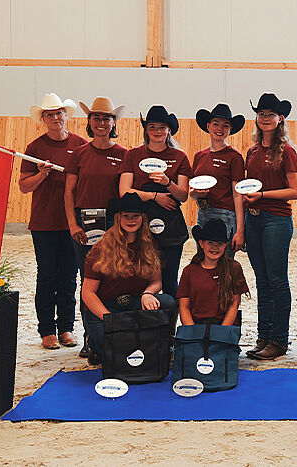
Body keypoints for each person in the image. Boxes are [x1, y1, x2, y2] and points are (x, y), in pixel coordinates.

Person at [18, 93, 87, 350]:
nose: (55, 118)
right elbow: (24, 187)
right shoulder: (34, 149)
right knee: (47, 275)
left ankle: (67, 328)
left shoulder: (80, 146)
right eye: (50, 115)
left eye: (59, 113)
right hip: (44, 223)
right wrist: (41, 175)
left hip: (72, 222)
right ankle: (47, 330)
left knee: (70, 276)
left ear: (66, 115)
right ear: (43, 119)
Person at [64, 96, 128, 358]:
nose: (101, 123)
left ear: (113, 123)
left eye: (106, 118)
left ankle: (111, 333)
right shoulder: (79, 154)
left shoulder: (124, 155)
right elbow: (69, 192)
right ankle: (90, 336)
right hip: (84, 223)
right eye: (97, 118)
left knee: (113, 279)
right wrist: (72, 223)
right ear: (90, 122)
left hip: (114, 226)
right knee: (87, 278)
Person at [79, 193, 176, 365]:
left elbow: (157, 281)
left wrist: (148, 293)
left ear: (142, 218)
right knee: (109, 348)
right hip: (106, 307)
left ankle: (163, 342)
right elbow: (87, 293)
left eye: (135, 216)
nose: (131, 220)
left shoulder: (149, 245)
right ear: (118, 218)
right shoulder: (100, 249)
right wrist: (109, 319)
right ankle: (94, 344)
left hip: (135, 304)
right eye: (126, 216)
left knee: (167, 302)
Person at [243, 93, 297, 360]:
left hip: (276, 218)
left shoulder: (287, 151)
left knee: (277, 280)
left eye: (270, 114)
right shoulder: (252, 151)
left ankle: (279, 339)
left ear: (280, 119)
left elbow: (296, 190)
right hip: (254, 218)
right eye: (261, 114)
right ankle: (264, 335)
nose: (265, 118)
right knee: (263, 280)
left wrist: (263, 197)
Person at [119, 105, 192, 300]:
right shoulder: (133, 155)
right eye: (152, 127)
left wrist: (168, 183)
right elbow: (124, 191)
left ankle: (170, 326)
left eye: (162, 127)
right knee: (138, 277)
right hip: (139, 220)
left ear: (169, 130)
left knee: (169, 280)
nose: (157, 131)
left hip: (170, 224)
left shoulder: (180, 157)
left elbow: (183, 195)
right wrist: (154, 196)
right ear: (146, 130)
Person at [191, 103, 247, 258]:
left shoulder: (234, 157)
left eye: (225, 125)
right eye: (216, 124)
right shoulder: (199, 156)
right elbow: (193, 192)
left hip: (226, 214)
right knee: (204, 260)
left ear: (230, 130)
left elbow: (238, 194)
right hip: (203, 212)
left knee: (224, 262)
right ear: (208, 126)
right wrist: (195, 194)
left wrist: (240, 229)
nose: (220, 129)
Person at [176, 219, 249, 327]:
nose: (215, 247)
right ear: (201, 243)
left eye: (219, 243)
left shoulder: (233, 268)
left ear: (225, 245)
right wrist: (192, 332)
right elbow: (184, 307)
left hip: (224, 326)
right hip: (195, 326)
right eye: (210, 243)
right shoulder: (189, 271)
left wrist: (222, 332)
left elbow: (234, 304)